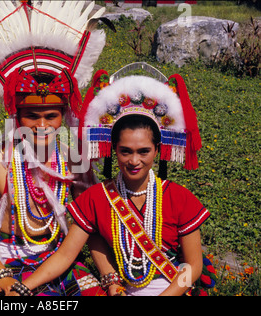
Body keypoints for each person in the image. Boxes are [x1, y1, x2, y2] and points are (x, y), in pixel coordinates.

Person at [0, 0, 109, 296]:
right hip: (4, 261)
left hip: (59, 259)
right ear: (16, 116)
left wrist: (110, 278)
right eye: (32, 116)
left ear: (64, 116)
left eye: (51, 116)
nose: (42, 125)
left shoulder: (74, 164)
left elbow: (93, 223)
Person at [14, 69, 213, 296]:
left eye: (144, 151)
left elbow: (193, 267)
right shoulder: (96, 198)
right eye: (125, 151)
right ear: (114, 150)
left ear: (157, 150)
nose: (134, 161)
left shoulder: (178, 197)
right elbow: (65, 255)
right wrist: (22, 288)